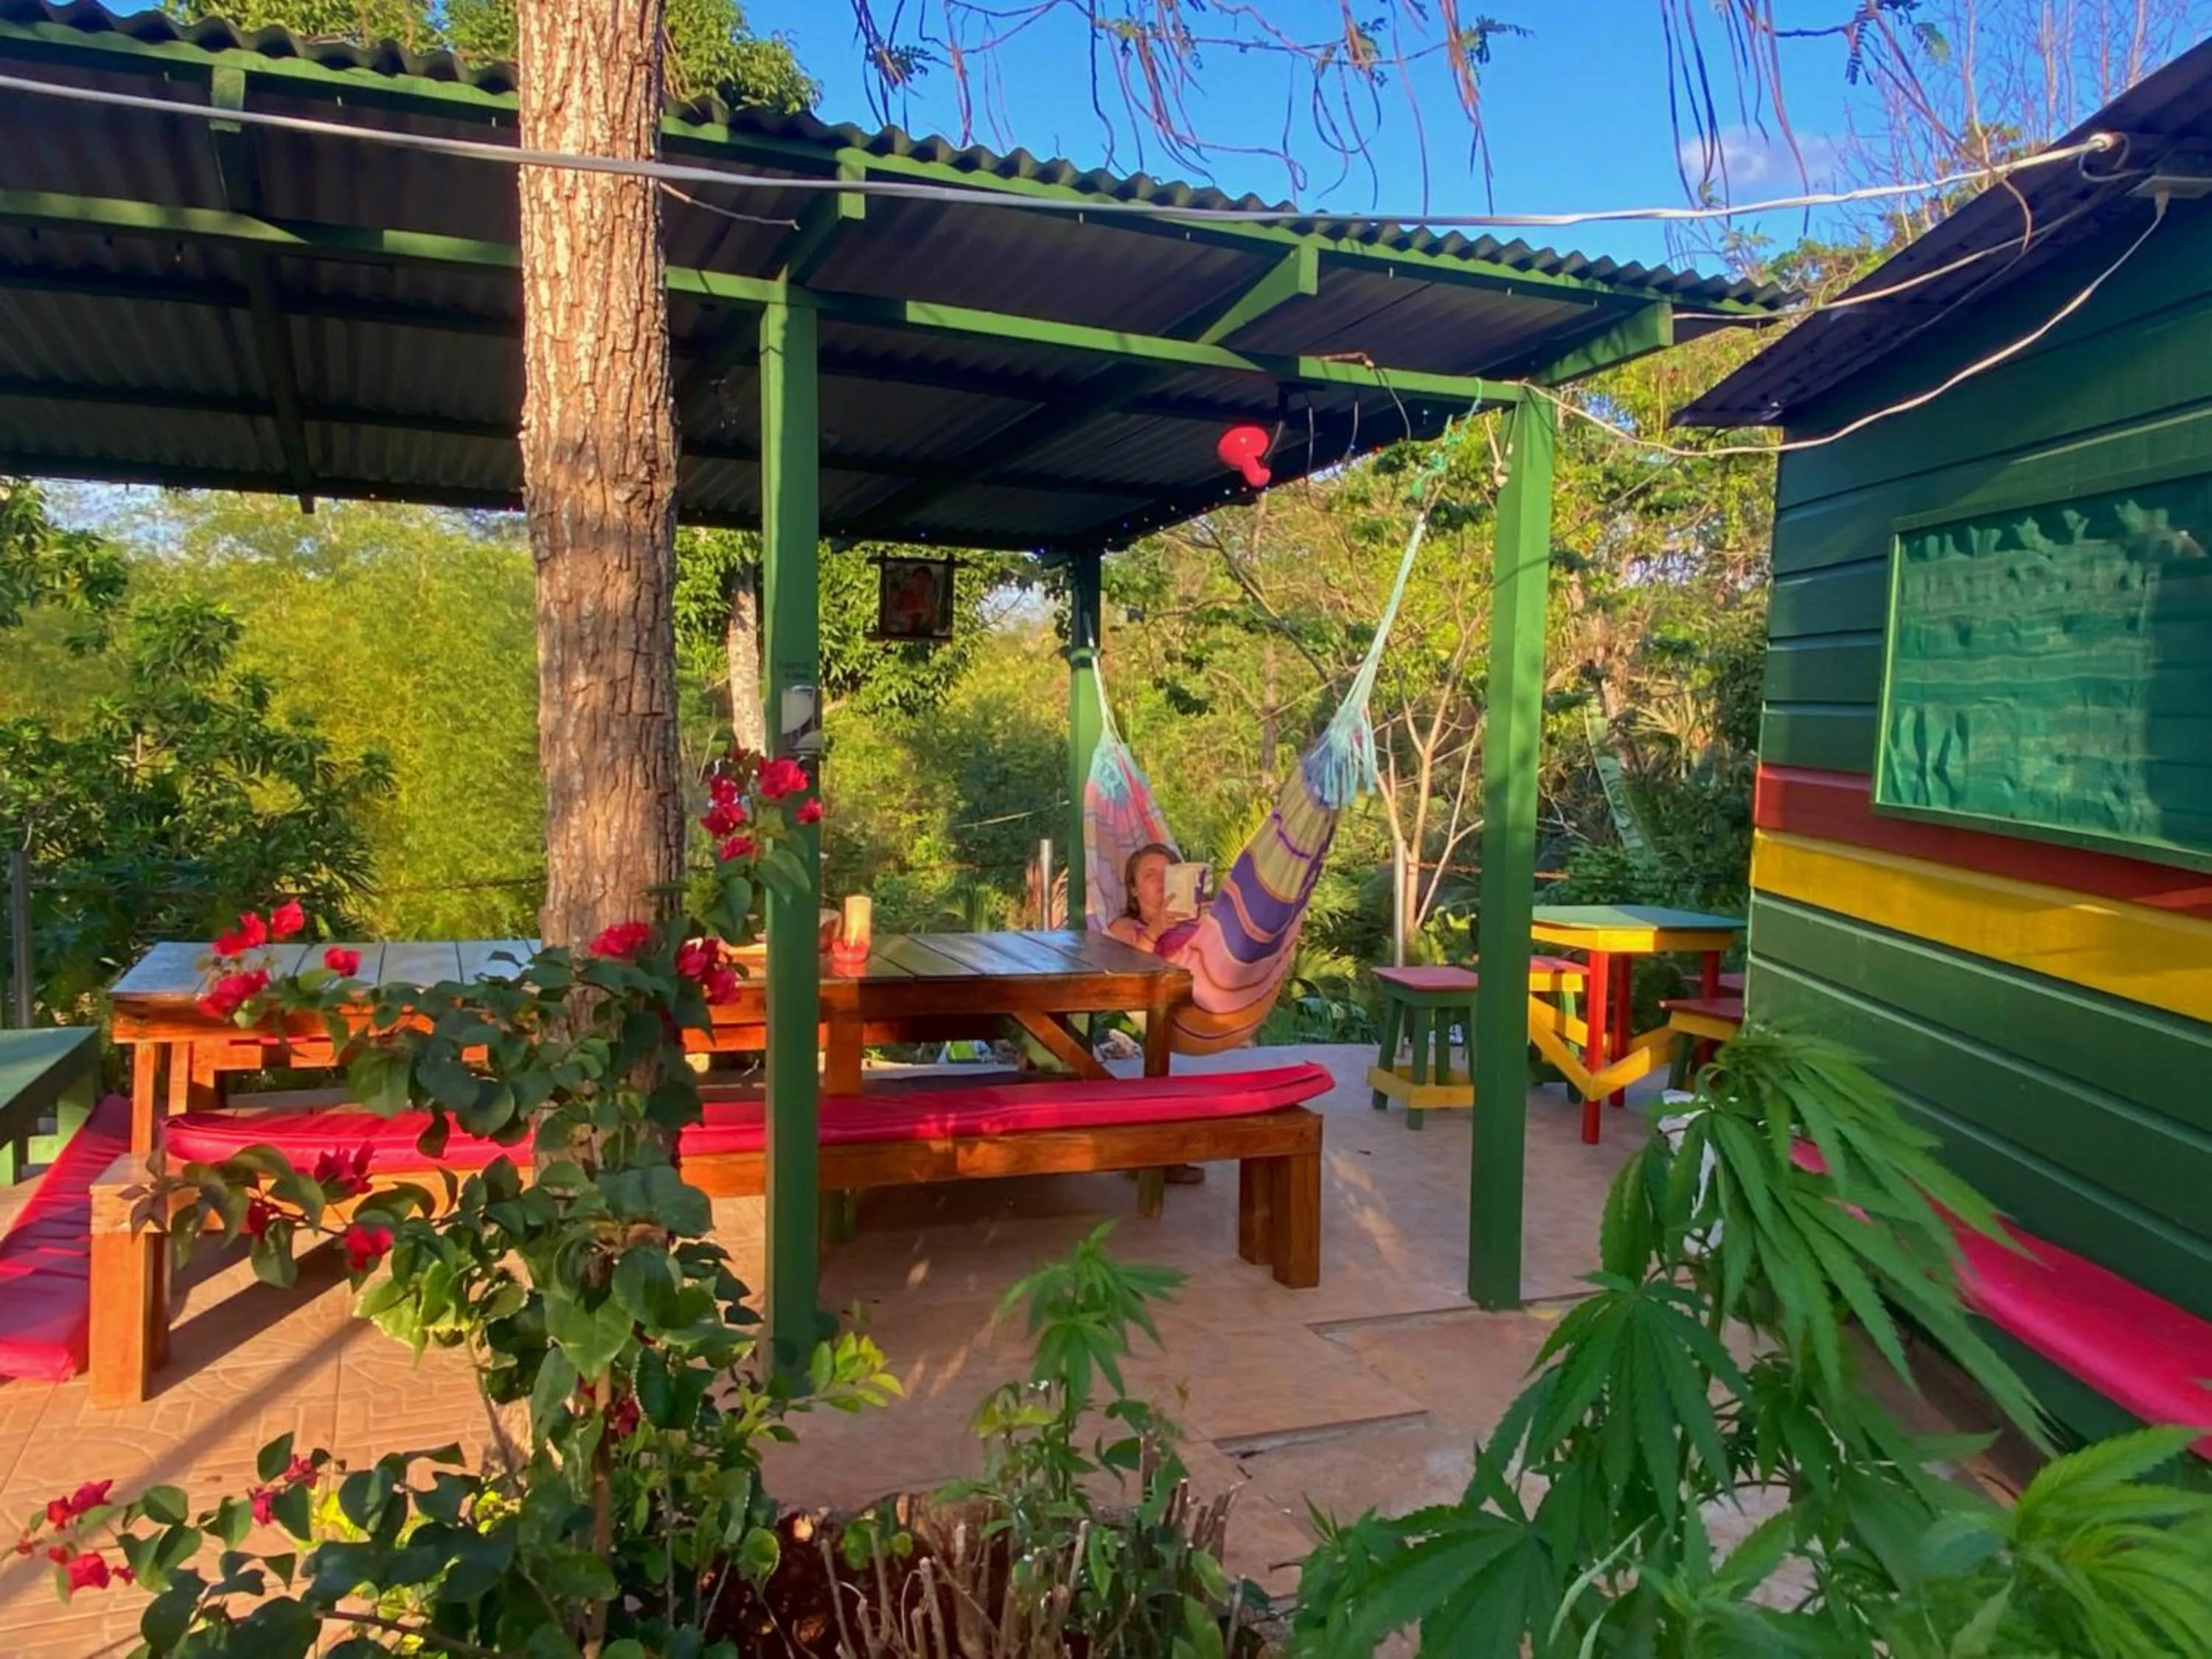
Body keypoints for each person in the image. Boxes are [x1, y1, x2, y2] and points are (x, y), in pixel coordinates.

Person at [1106, 842, 1205, 956]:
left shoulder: (1197, 922)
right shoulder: (1124, 930)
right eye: (1150, 875)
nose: (1162, 880)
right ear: (1134, 888)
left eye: (1168, 873)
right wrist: (1152, 933)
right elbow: (1131, 972)